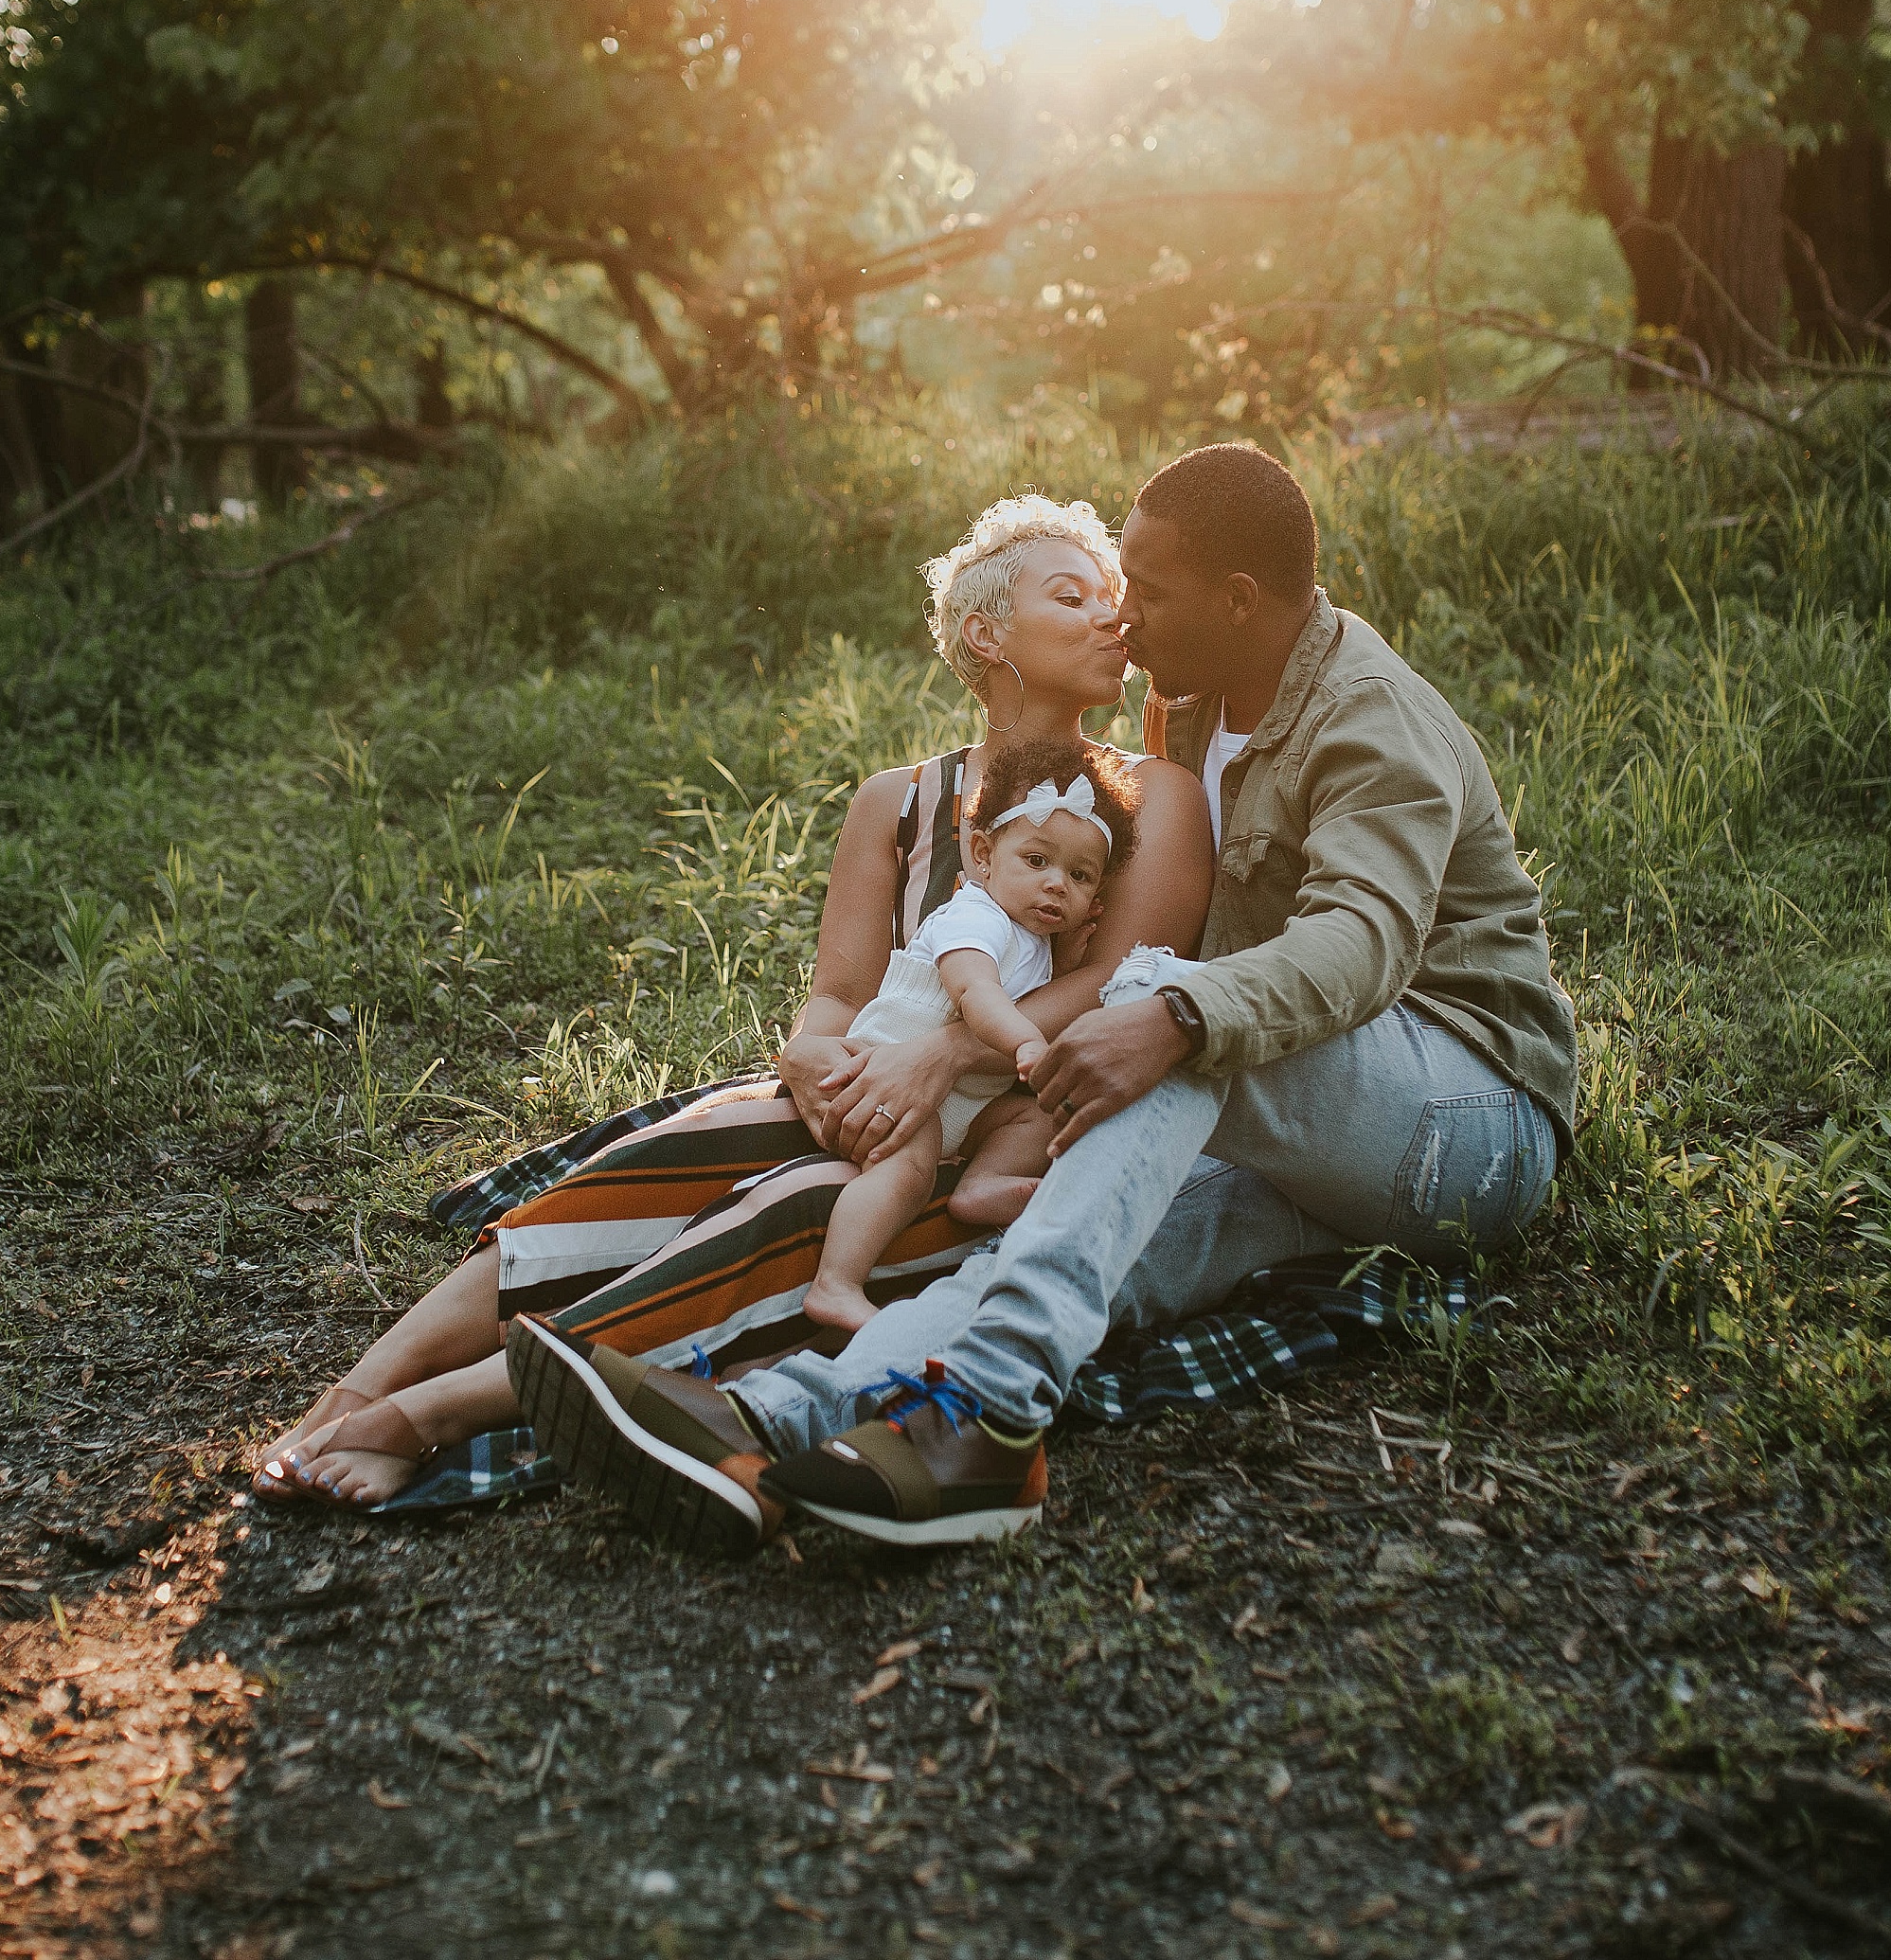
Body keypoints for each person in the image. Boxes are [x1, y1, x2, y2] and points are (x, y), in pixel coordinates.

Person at [510, 443, 1578, 1552]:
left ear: (1238, 598)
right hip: (1309, 1127)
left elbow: (1363, 943)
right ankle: (765, 1422)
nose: (1128, 620)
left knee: (1166, 1006)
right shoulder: (1195, 703)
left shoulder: (1368, 718)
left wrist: (1169, 1016)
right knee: (1059, 1256)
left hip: (1471, 1123)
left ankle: (991, 1422)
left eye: (1147, 594)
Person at [246, 494, 1209, 1507]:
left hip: (996, 1124)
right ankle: (352, 1390)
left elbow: (1114, 986)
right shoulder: (898, 798)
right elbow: (835, 995)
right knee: (665, 1151)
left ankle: (428, 1416)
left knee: (791, 1208)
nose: (1115, 617)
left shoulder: (1153, 793)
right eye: (1074, 595)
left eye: (1115, 597)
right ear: (986, 632)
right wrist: (809, 1060)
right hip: (860, 1089)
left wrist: (945, 1057)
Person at [805, 740, 1139, 1340]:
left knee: (1033, 1119)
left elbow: (1037, 986)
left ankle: (979, 1188)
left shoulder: (1035, 940)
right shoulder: (972, 916)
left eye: (1079, 875)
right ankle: (836, 1283)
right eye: (1036, 861)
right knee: (908, 1163)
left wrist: (1070, 955)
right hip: (889, 1076)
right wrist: (1027, 1042)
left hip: (965, 1095)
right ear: (983, 856)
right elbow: (977, 995)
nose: (1057, 884)